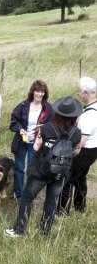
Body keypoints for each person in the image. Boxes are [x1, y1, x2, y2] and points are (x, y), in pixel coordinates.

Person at [5, 96, 82, 237]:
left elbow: (36, 148)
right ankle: (44, 232)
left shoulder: (46, 128)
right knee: (51, 202)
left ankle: (19, 230)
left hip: (42, 171)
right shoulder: (76, 133)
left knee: (27, 198)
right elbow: (76, 152)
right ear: (74, 115)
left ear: (57, 112)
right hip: (62, 173)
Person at [58, 77, 97, 214]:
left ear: (86, 92)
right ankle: (80, 207)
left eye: (79, 91)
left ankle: (62, 211)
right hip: (93, 150)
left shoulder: (88, 116)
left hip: (85, 151)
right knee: (80, 178)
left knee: (67, 179)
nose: (78, 93)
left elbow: (81, 142)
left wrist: (71, 154)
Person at [9, 80, 54, 200]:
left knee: (31, 169)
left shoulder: (48, 108)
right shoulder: (23, 105)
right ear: (32, 92)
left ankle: (28, 194)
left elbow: (52, 125)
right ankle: (17, 193)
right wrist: (20, 129)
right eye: (37, 91)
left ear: (45, 93)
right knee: (19, 168)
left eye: (42, 92)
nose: (40, 94)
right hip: (21, 141)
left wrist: (43, 129)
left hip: (36, 144)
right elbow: (14, 121)